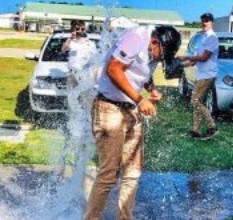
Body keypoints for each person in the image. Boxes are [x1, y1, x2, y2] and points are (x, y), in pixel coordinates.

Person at [84, 25, 181, 220]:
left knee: (133, 171)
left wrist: (151, 89)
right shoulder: (136, 38)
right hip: (108, 107)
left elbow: (141, 71)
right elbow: (113, 68)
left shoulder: (152, 48)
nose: (159, 60)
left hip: (129, 109)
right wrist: (140, 99)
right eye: (160, 55)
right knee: (109, 173)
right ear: (154, 42)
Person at [179, 12, 219, 140]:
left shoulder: (212, 38)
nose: (204, 22)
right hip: (201, 74)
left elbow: (203, 57)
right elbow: (196, 59)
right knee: (198, 102)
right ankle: (194, 130)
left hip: (207, 74)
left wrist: (186, 56)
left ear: (212, 22)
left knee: (195, 101)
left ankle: (212, 127)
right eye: (203, 20)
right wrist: (181, 65)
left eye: (207, 20)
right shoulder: (203, 38)